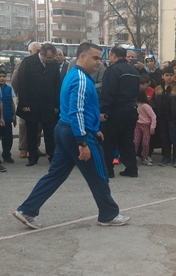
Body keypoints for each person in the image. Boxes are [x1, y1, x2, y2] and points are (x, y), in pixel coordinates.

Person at [12, 42, 130, 229]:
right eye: (96, 58)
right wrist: (82, 141)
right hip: (76, 133)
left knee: (56, 174)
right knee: (99, 174)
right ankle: (108, 214)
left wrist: (93, 126)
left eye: (101, 58)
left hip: (66, 129)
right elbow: (77, 111)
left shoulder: (73, 75)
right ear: (82, 57)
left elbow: (80, 110)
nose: (99, 62)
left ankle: (27, 210)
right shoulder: (81, 79)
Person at [16, 43, 62, 166]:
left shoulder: (53, 65)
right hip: (31, 103)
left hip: (49, 104)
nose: (52, 60)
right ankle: (32, 157)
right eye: (49, 58)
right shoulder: (28, 62)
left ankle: (52, 156)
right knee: (31, 132)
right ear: (41, 54)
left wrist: (57, 105)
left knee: (50, 132)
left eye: (53, 58)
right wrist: (24, 103)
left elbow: (57, 86)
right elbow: (22, 83)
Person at [100, 46, 140, 178]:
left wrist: (103, 111)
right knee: (127, 141)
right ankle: (131, 168)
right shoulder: (134, 71)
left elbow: (108, 92)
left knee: (109, 141)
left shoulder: (112, 70)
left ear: (114, 56)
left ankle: (108, 170)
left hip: (115, 111)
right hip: (131, 110)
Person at [12, 42, 43, 160]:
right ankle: (23, 148)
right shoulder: (23, 63)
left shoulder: (42, 64)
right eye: (37, 51)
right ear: (30, 52)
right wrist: (20, 96)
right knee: (24, 124)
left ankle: (35, 147)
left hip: (38, 101)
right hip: (25, 98)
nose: (39, 53)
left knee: (38, 124)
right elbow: (15, 81)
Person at [154, 66, 176, 167]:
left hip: (174, 117)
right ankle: (166, 157)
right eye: (167, 75)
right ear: (162, 76)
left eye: (171, 75)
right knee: (164, 138)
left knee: (174, 137)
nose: (169, 77)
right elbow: (155, 102)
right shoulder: (158, 88)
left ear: (174, 76)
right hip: (162, 117)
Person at [0, 69, 16, 163]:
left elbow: (12, 102)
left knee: (8, 138)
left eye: (3, 76)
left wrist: (14, 115)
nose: (2, 78)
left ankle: (6, 154)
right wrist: (1, 117)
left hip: (8, 117)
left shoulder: (9, 88)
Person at [134, 89, 156, 166]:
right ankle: (134, 157)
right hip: (138, 125)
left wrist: (152, 128)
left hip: (146, 126)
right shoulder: (135, 105)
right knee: (135, 142)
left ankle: (145, 157)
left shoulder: (145, 106)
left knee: (145, 143)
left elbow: (153, 116)